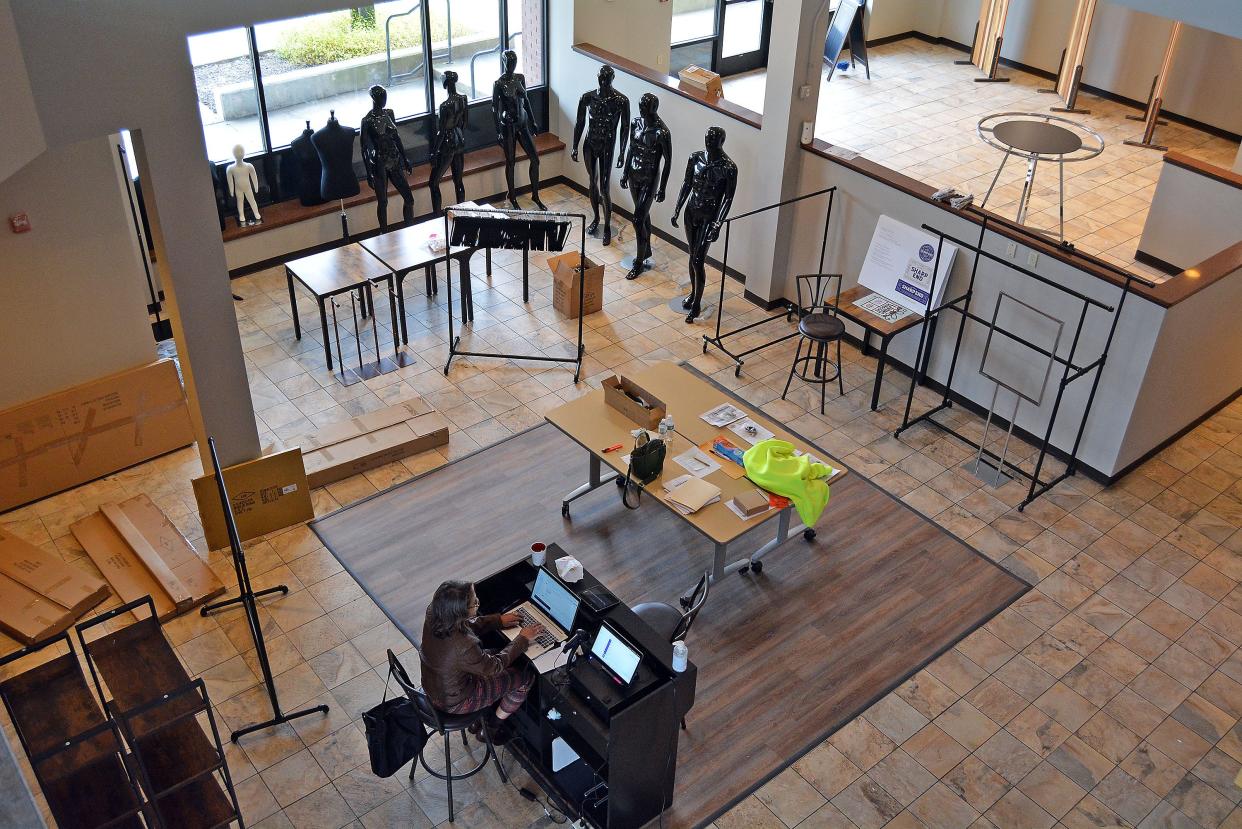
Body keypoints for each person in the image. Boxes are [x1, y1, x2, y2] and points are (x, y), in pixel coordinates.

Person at [419, 580, 543, 743]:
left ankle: (479, 721)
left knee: (498, 651)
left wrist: (498, 621)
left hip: (434, 686)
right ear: (460, 612)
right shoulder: (464, 645)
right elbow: (495, 666)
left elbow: (466, 626)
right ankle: (491, 728)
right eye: (474, 602)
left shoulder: (434, 613)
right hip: (456, 701)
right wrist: (523, 638)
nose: (478, 602)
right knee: (525, 677)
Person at [620, 93, 673, 280]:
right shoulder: (636, 123)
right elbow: (631, 149)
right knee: (642, 216)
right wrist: (625, 172)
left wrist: (663, 187)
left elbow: (668, 161)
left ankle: (639, 262)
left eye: (644, 106)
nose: (640, 108)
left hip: (649, 179)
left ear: (653, 108)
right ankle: (647, 249)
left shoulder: (662, 132)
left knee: (637, 219)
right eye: (640, 104)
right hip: (634, 175)